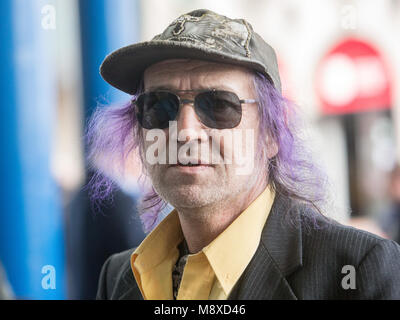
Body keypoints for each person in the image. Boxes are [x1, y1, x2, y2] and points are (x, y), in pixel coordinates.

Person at [91, 9, 400, 300]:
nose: (185, 132)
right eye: (159, 106)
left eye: (218, 105)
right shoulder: (119, 277)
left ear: (271, 134)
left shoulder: (360, 271)